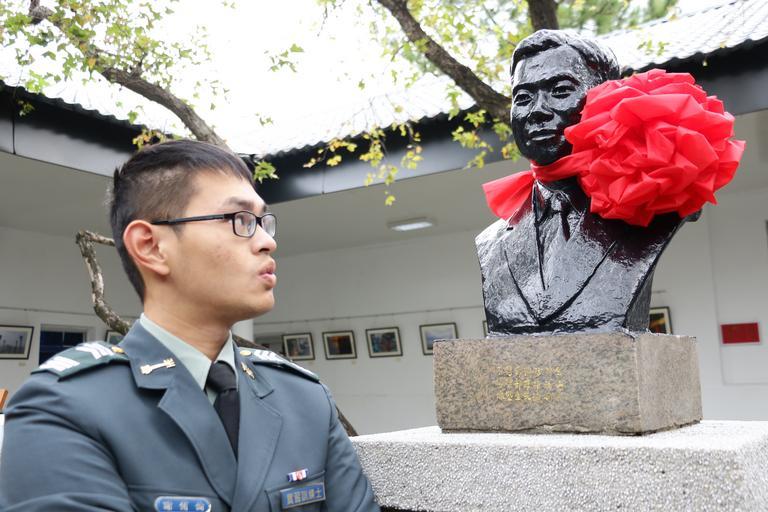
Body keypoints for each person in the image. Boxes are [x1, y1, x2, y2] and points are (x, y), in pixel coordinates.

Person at [0, 140, 380, 511]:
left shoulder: (304, 400)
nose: (267, 242)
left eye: (264, 222)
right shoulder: (66, 407)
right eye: (240, 220)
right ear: (150, 246)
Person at [476, 30, 693, 335]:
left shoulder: (655, 207)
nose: (537, 110)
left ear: (605, 99)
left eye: (560, 91)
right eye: (523, 97)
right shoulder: (492, 242)